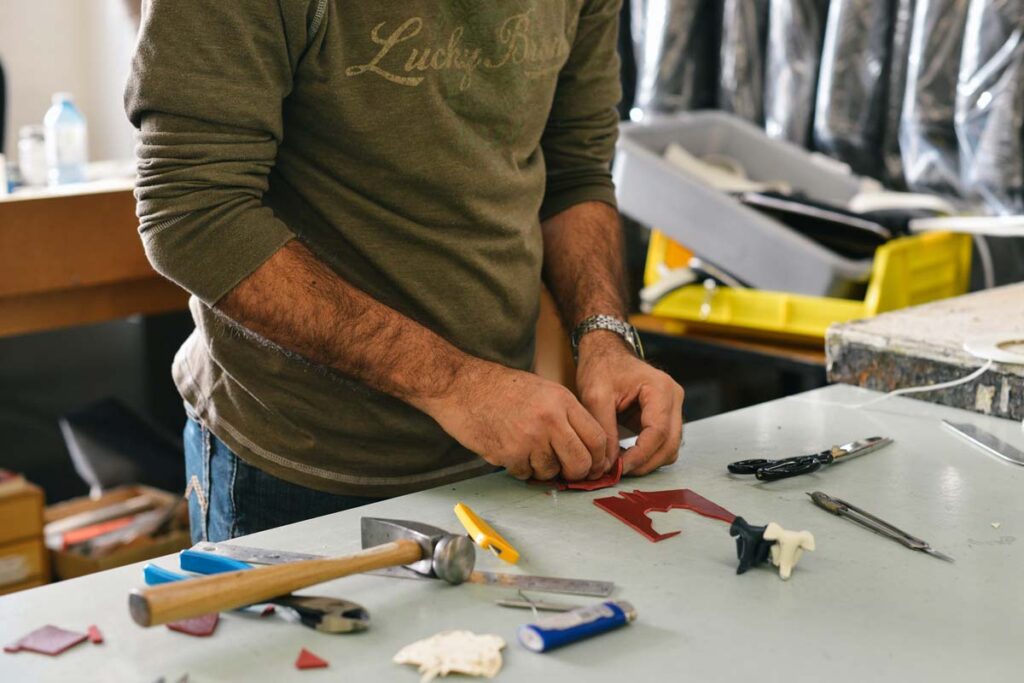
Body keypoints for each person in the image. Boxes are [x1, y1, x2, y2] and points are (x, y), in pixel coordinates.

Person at [126, 0, 684, 543]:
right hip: (300, 468)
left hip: (501, 453)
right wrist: (455, 384)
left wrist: (604, 337)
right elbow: (193, 212)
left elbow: (575, 171)